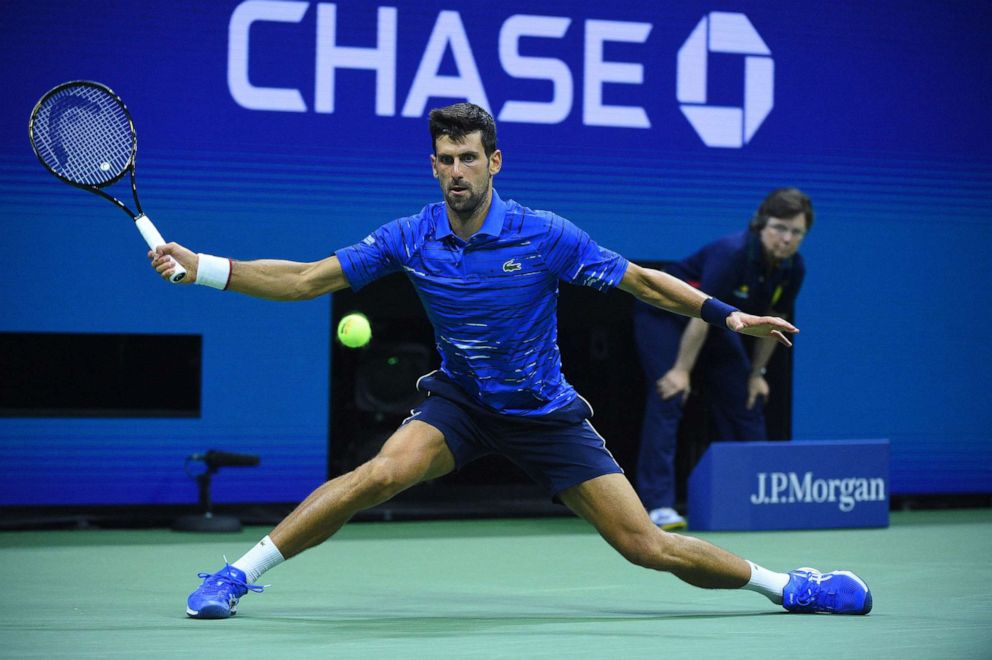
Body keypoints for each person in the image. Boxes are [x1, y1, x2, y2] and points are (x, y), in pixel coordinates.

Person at [149, 104, 870, 620]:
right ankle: (235, 577)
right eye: (446, 158)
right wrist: (207, 267)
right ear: (432, 165)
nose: (457, 170)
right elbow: (305, 279)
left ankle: (789, 585)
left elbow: (642, 283)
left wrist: (727, 314)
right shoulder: (411, 235)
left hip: (544, 411)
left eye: (470, 157)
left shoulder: (545, 235)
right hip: (460, 402)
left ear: (494, 162)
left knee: (645, 544)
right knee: (377, 474)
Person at [633, 189, 812, 530]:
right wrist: (682, 371)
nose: (786, 239)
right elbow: (700, 312)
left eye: (796, 232)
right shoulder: (732, 253)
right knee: (669, 393)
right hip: (668, 316)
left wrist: (757, 373)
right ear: (761, 224)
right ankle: (658, 506)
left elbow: (774, 319)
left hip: (718, 325)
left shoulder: (793, 268)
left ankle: (761, 495)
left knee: (747, 400)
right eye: (779, 228)